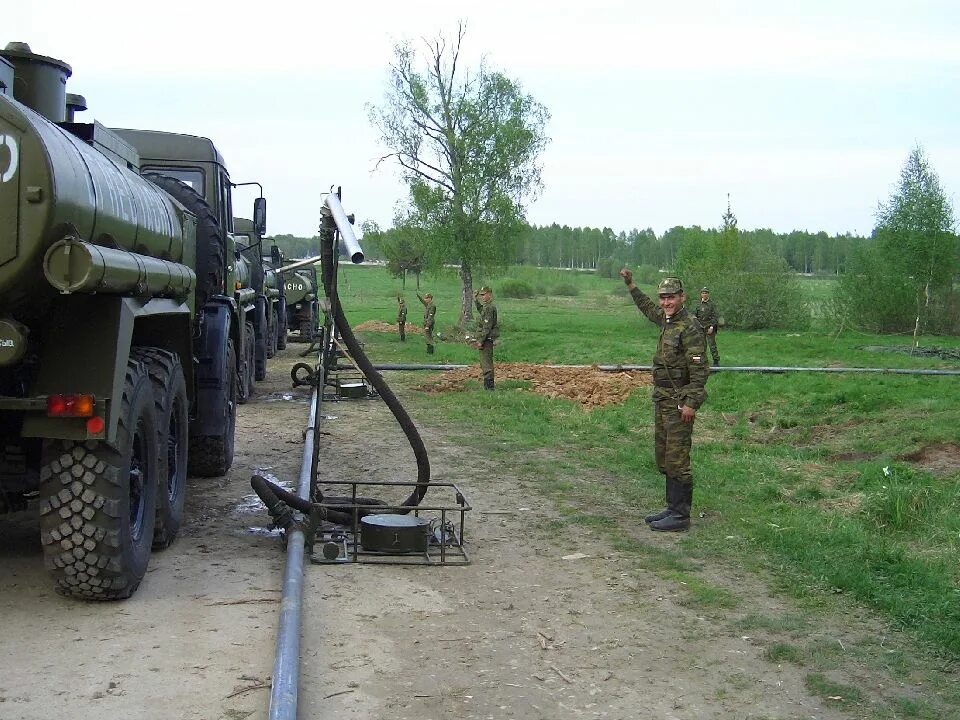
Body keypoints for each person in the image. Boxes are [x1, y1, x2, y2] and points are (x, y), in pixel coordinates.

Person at [619, 269, 709, 532]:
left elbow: (700, 370)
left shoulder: (689, 326)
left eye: (671, 297)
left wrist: (691, 402)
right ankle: (672, 508)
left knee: (678, 458)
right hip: (663, 399)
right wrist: (631, 285)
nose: (666, 303)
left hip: (680, 402)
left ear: (682, 297)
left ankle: (681, 516)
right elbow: (647, 308)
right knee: (665, 456)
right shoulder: (667, 320)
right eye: (663, 298)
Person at [472, 286, 500, 391]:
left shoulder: (490, 307)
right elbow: (481, 311)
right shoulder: (486, 306)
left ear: (490, 294)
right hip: (486, 338)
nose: (482, 297)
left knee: (486, 363)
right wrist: (475, 300)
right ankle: (488, 386)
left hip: (486, 339)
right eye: (481, 295)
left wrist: (480, 341)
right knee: (485, 362)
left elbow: (487, 327)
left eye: (484, 295)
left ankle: (489, 388)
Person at [694, 287, 720, 366]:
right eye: (703, 293)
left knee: (712, 345)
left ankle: (716, 362)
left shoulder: (712, 304)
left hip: (709, 328)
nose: (704, 294)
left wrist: (712, 327)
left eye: (706, 293)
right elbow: (694, 316)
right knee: (701, 346)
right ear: (701, 294)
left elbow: (715, 316)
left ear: (708, 294)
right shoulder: (698, 304)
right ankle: (701, 362)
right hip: (700, 328)